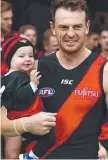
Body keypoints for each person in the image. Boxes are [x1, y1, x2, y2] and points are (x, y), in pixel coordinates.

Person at [22, 0, 108, 159]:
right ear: (53, 28)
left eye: (77, 26)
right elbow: (3, 120)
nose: (70, 34)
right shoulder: (35, 67)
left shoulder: (104, 70)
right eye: (63, 27)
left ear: (87, 27)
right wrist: (25, 124)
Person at [1, 37, 56, 159]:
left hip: (18, 119)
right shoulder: (17, 76)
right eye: (21, 56)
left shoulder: (8, 77)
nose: (27, 59)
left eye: (31, 56)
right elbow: (21, 95)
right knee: (50, 137)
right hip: (23, 116)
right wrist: (33, 84)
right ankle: (29, 157)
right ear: (10, 59)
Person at [1, 1, 22, 158]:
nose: (10, 23)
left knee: (12, 155)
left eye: (11, 18)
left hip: (12, 104)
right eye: (5, 19)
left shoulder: (15, 41)